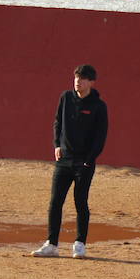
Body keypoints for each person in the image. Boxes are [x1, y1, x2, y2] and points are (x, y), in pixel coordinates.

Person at [32, 64, 108, 259]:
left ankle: (80, 244)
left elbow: (100, 137)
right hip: (64, 160)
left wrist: (89, 160)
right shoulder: (65, 98)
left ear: (91, 82)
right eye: (76, 78)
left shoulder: (99, 106)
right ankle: (52, 244)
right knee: (55, 202)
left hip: (84, 163)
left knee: (80, 202)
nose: (77, 81)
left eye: (82, 79)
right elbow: (57, 122)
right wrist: (57, 145)